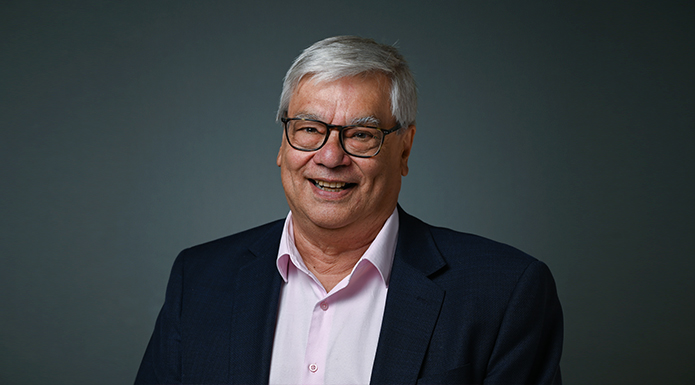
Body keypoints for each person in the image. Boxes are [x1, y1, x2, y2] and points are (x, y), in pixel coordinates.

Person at [135, 35, 563, 385]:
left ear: (405, 149)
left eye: (360, 135)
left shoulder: (504, 292)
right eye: (309, 129)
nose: (330, 156)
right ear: (282, 145)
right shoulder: (200, 279)